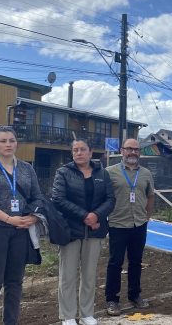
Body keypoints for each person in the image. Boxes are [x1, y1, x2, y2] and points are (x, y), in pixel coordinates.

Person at [0, 125, 45, 325]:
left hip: (20, 231)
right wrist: (7, 218)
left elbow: (37, 197)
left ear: (17, 143)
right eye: (3, 141)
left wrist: (33, 217)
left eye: (12, 141)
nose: (8, 144)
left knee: (15, 282)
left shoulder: (26, 168)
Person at [52, 139, 115, 325]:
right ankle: (68, 316)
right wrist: (85, 216)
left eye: (82, 149)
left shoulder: (102, 173)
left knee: (89, 275)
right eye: (75, 150)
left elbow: (110, 200)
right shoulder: (63, 172)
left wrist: (96, 215)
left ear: (90, 152)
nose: (78, 153)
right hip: (70, 231)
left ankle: (87, 313)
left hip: (95, 231)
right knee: (67, 276)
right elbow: (58, 199)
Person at [105, 138, 155, 316]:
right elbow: (104, 197)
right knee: (115, 262)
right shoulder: (109, 172)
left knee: (136, 261)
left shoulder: (146, 173)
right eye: (129, 149)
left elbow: (150, 196)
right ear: (121, 150)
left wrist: (146, 217)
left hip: (139, 224)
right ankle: (112, 299)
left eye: (136, 149)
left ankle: (135, 295)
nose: (133, 152)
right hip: (118, 223)